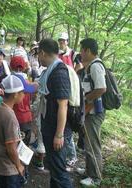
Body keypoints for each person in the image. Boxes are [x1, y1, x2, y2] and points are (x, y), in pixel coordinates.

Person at [38, 38, 73, 188]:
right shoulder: (50, 71)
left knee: (59, 171)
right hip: (50, 126)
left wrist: (59, 135)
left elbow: (63, 105)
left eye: (38, 54)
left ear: (43, 53)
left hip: (56, 130)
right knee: (53, 166)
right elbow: (39, 86)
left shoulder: (59, 72)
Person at [0, 75, 35, 188]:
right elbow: (11, 148)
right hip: (8, 167)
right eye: (22, 92)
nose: (24, 95)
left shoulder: (0, 108)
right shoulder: (9, 116)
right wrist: (19, 165)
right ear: (15, 94)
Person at [79, 38, 106, 186]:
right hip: (90, 111)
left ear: (88, 51)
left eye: (82, 50)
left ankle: (95, 178)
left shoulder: (96, 66)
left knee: (92, 144)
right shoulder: (91, 66)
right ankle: (89, 171)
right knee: (88, 142)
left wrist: (86, 99)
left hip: (95, 112)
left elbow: (101, 89)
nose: (80, 53)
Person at [58, 32, 78, 171]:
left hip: (72, 92)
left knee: (68, 129)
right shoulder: (59, 54)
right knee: (63, 126)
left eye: (63, 41)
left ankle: (72, 156)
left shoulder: (73, 53)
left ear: (67, 41)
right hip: (62, 90)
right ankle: (65, 154)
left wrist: (71, 75)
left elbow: (80, 66)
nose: (62, 43)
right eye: (60, 40)